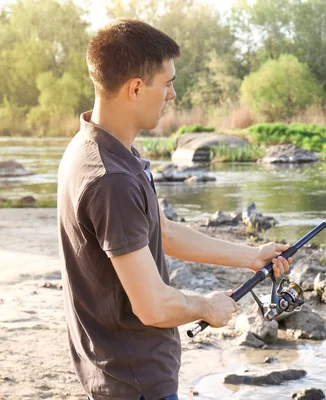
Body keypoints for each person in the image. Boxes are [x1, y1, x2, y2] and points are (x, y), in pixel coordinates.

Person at [56, 19, 292, 400]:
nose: (173, 95)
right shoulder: (111, 179)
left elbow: (161, 231)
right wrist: (207, 306)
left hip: (116, 374)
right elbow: (151, 306)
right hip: (134, 382)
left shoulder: (95, 146)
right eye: (167, 84)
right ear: (135, 88)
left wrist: (251, 257)